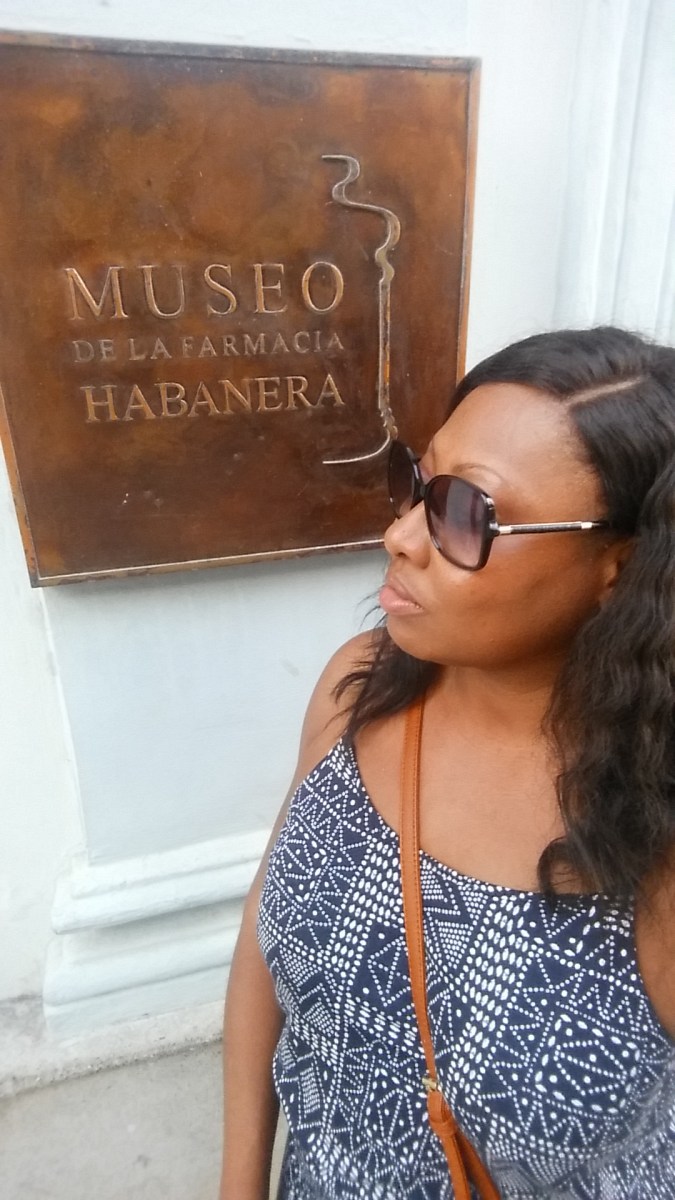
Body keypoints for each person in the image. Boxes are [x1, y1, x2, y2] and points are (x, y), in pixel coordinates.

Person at [219, 327, 675, 1200]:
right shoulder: (359, 689)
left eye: (466, 512)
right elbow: (264, 940)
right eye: (416, 483)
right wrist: (239, 1183)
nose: (398, 534)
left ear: (618, 567)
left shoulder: (649, 837)